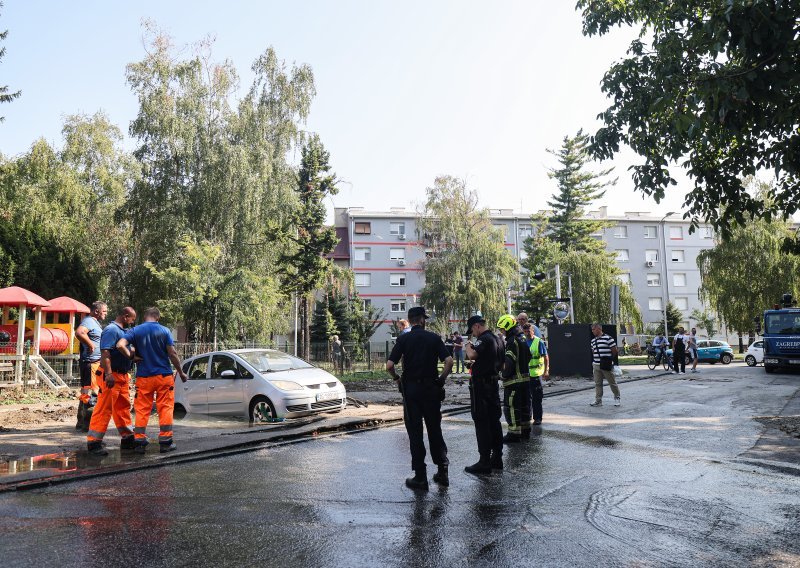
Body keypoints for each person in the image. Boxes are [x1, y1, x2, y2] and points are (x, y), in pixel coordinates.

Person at [386, 307, 453, 490]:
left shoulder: (404, 339)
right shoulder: (433, 338)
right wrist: (440, 380)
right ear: (422, 320)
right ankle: (442, 471)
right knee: (434, 429)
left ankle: (420, 477)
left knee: (415, 432)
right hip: (431, 389)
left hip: (411, 391)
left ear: (410, 320)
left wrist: (397, 379)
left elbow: (390, 365)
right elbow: (449, 361)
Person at [116, 307, 188, 454]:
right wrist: (181, 372)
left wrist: (131, 356)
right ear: (157, 317)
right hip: (164, 376)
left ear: (145, 317)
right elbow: (172, 353)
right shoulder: (164, 331)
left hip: (144, 377)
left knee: (142, 409)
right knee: (165, 408)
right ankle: (166, 442)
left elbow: (119, 345)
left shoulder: (135, 330)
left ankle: (140, 442)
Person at [86, 307, 137, 456]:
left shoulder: (122, 332)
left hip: (121, 376)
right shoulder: (111, 330)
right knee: (104, 408)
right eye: (132, 319)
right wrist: (108, 374)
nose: (132, 323)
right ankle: (94, 442)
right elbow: (105, 352)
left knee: (123, 407)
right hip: (111, 375)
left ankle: (127, 438)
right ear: (126, 316)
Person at [464, 315, 505, 474]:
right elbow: (502, 364)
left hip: (480, 385)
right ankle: (497, 458)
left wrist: (468, 346)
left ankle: (484, 461)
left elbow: (472, 355)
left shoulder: (484, 339)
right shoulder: (498, 339)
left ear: (476, 326)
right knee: (494, 420)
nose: (473, 334)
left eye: (472, 331)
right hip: (493, 383)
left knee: (481, 421)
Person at [497, 314, 532, 443]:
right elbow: (528, 356)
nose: (502, 332)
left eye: (502, 329)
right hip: (525, 380)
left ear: (507, 326)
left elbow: (509, 363)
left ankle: (514, 434)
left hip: (514, 382)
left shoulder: (512, 341)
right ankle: (525, 431)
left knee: (511, 407)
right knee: (524, 406)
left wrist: (503, 375)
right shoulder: (522, 338)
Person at [74, 301, 108, 432]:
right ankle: (88, 425)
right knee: (93, 394)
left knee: (85, 392)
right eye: (104, 311)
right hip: (91, 364)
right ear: (96, 311)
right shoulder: (88, 321)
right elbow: (79, 333)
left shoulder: (94, 322)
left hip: (91, 363)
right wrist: (91, 345)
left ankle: (81, 422)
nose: (106, 313)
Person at [589, 324, 621, 407]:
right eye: (592, 329)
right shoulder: (593, 341)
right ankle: (598, 401)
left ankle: (617, 398)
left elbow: (614, 351)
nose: (592, 331)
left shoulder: (608, 338)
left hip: (606, 365)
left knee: (612, 382)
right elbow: (593, 351)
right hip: (596, 365)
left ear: (599, 329)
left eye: (593, 329)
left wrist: (609, 360)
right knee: (598, 383)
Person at [528, 327, 550, 425]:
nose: (526, 334)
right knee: (527, 397)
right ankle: (528, 416)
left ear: (532, 331)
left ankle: (537, 418)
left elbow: (545, 357)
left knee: (537, 397)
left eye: (528, 331)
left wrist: (546, 371)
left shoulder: (538, 342)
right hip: (526, 374)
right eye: (524, 332)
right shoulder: (523, 341)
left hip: (537, 373)